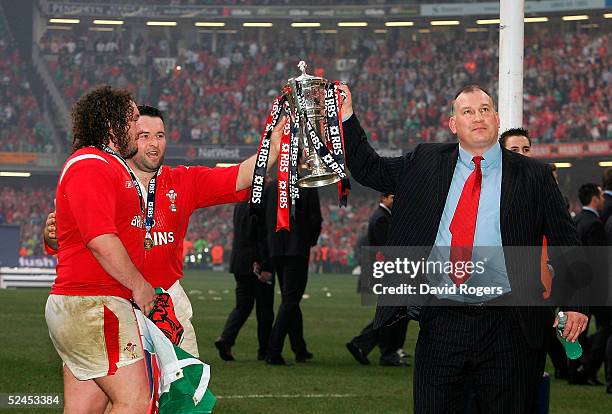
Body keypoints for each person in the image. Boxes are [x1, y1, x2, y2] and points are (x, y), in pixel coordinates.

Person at [337, 83, 588, 412]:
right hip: (442, 320)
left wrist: (576, 302)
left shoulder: (534, 176)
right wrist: (346, 117)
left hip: (510, 325)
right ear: (454, 124)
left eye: (484, 110)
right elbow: (373, 170)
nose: (478, 117)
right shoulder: (426, 161)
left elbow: (565, 240)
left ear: (496, 119)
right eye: (467, 111)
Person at [45, 105, 287, 358]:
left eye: (160, 136)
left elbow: (238, 176)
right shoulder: (104, 181)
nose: (154, 144)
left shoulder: (183, 181)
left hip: (168, 301)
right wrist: (51, 236)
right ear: (126, 138)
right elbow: (81, 238)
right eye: (144, 136)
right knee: (126, 393)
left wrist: (274, 147)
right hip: (118, 300)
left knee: (187, 390)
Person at [45, 86, 155, 414]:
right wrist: (138, 284)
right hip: (95, 304)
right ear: (112, 125)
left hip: (86, 305)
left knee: (84, 408)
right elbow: (100, 238)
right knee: (135, 402)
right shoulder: (91, 164)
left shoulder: (103, 164)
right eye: (134, 119)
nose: (140, 125)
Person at [500, 127, 569, 379]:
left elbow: (566, 240)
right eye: (514, 150)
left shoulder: (544, 191)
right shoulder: (484, 189)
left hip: (530, 298)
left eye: (526, 149)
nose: (521, 154)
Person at [260, 177, 322, 365]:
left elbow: (262, 219)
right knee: (290, 300)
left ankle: (299, 348)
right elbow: (315, 218)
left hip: (276, 249)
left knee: (290, 299)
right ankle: (273, 350)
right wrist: (309, 240)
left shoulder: (270, 187)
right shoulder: (306, 184)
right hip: (297, 249)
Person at [346, 193, 409, 366]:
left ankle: (381, 349)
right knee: (393, 313)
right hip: (389, 272)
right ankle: (369, 346)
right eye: (392, 197)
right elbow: (387, 248)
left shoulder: (383, 216)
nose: (395, 201)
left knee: (393, 313)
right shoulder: (382, 219)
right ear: (383, 199)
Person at [215, 200, 275, 361]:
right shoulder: (260, 204)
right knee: (264, 309)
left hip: (239, 261)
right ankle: (264, 350)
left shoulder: (240, 205)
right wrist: (265, 264)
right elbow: (261, 236)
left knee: (243, 306)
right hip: (256, 263)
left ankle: (226, 338)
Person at [573, 183, 611, 391]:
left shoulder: (577, 219)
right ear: (595, 198)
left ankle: (575, 369)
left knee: (578, 331)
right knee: (605, 327)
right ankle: (586, 368)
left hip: (577, 283)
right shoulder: (594, 224)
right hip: (594, 286)